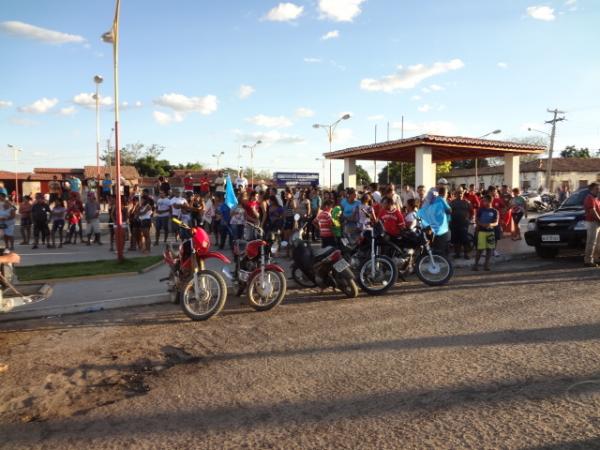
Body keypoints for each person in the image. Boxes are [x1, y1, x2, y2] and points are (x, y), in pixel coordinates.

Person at [418, 187, 451, 256]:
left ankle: (428, 255)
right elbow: (449, 210)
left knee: (433, 241)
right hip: (441, 226)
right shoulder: (441, 199)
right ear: (444, 193)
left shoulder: (433, 200)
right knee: (442, 243)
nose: (447, 194)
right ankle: (440, 258)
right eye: (447, 193)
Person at [473, 195, 499, 271]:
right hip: (481, 232)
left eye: (485, 201)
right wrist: (482, 224)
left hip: (490, 232)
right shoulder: (480, 210)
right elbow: (477, 220)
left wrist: (490, 224)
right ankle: (476, 265)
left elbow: (496, 222)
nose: (483, 202)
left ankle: (486, 265)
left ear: (490, 201)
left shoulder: (494, 211)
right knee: (479, 249)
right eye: (483, 201)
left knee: (489, 249)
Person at [449, 189, 472, 259]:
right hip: (454, 223)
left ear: (463, 194)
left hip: (464, 224)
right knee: (456, 240)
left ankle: (466, 254)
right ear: (455, 194)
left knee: (464, 239)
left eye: (461, 193)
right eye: (458, 193)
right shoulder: (452, 203)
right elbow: (449, 212)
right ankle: (457, 254)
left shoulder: (467, 202)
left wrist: (469, 219)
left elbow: (471, 211)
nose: (459, 194)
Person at [583, 182, 600, 267]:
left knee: (597, 243)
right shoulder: (590, 198)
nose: (598, 190)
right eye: (596, 188)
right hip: (592, 222)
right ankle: (588, 260)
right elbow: (592, 211)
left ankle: (596, 259)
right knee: (591, 242)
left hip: (596, 222)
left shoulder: (596, 198)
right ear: (591, 189)